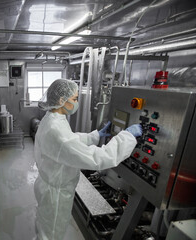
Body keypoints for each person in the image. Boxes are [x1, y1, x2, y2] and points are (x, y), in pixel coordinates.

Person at [34, 79, 142, 240]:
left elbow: (70, 141)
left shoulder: (52, 119)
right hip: (55, 195)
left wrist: (95, 136)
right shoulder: (56, 130)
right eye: (75, 99)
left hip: (49, 185)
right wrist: (127, 137)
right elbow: (97, 158)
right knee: (51, 235)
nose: (77, 103)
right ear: (61, 100)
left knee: (45, 230)